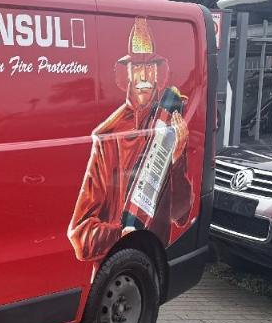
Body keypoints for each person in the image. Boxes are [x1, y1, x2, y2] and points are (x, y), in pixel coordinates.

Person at [68, 17, 193, 262]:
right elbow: (80, 236)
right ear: (127, 73)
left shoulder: (168, 126)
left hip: (153, 261)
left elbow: (181, 215)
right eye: (136, 67)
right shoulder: (108, 137)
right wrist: (120, 234)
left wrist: (177, 159)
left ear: (158, 73)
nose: (144, 76)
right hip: (115, 267)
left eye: (150, 67)